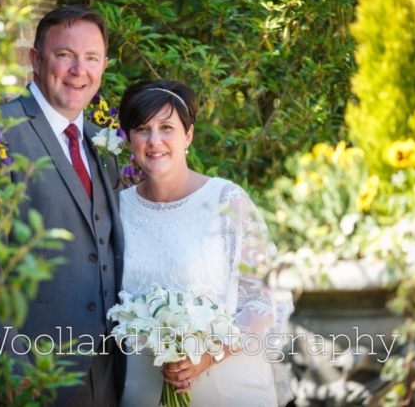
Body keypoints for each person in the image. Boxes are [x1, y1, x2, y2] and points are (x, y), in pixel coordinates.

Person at [116, 79, 294, 406]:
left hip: (227, 387)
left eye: (166, 127)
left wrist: (207, 356)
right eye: (142, 129)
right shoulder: (116, 209)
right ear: (129, 138)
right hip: (143, 388)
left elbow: (266, 298)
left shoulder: (227, 201)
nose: (154, 141)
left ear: (188, 135)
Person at [0, 6, 125, 406]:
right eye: (65, 55)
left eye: (91, 58)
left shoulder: (102, 145)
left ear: (104, 66)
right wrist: (10, 366)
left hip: (107, 373)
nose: (78, 70)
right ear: (36, 59)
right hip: (33, 374)